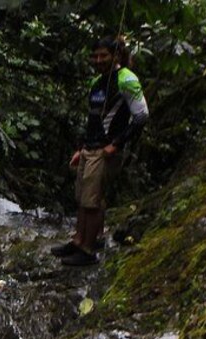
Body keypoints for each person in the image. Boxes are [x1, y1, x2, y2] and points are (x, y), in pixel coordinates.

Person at [52, 36, 149, 266]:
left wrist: (116, 144)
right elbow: (93, 119)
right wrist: (81, 147)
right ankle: (79, 240)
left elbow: (141, 116)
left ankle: (87, 250)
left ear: (115, 56)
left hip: (106, 150)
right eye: (94, 56)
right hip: (90, 148)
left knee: (92, 200)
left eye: (103, 55)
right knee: (83, 197)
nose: (98, 60)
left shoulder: (126, 79)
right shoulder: (97, 82)